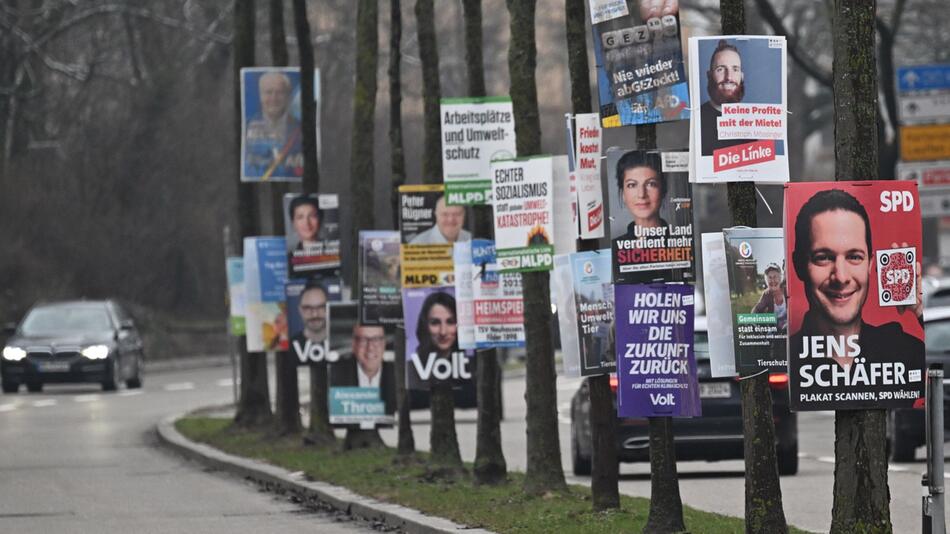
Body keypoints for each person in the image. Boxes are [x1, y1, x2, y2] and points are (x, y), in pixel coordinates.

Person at [789, 189, 923, 389]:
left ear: (870, 264)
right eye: (823, 257)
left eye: (854, 257)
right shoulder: (786, 359)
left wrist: (921, 312)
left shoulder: (904, 350)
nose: (841, 277)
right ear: (799, 265)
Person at [245, 71, 303, 179]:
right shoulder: (246, 127)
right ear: (260, 95)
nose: (274, 98)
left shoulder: (302, 129)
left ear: (288, 96)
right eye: (268, 92)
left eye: (280, 92)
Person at [699, 40, 753, 156]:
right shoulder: (697, 119)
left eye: (735, 69)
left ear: (741, 77)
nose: (729, 77)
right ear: (709, 76)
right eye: (721, 69)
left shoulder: (753, 121)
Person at [329, 324, 396, 415]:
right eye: (363, 340)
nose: (370, 348)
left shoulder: (396, 376)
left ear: (384, 344)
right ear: (354, 345)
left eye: (376, 340)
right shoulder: (336, 374)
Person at [289, 282, 328, 363]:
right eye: (308, 308)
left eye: (320, 307)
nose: (315, 314)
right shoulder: (289, 349)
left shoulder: (342, 344)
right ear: (300, 310)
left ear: (328, 308)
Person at [752, 263, 787, 332]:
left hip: (789, 327)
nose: (773, 280)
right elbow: (755, 311)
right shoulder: (766, 294)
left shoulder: (787, 290)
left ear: (780, 278)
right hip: (775, 330)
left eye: (775, 277)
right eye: (770, 277)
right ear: (766, 280)